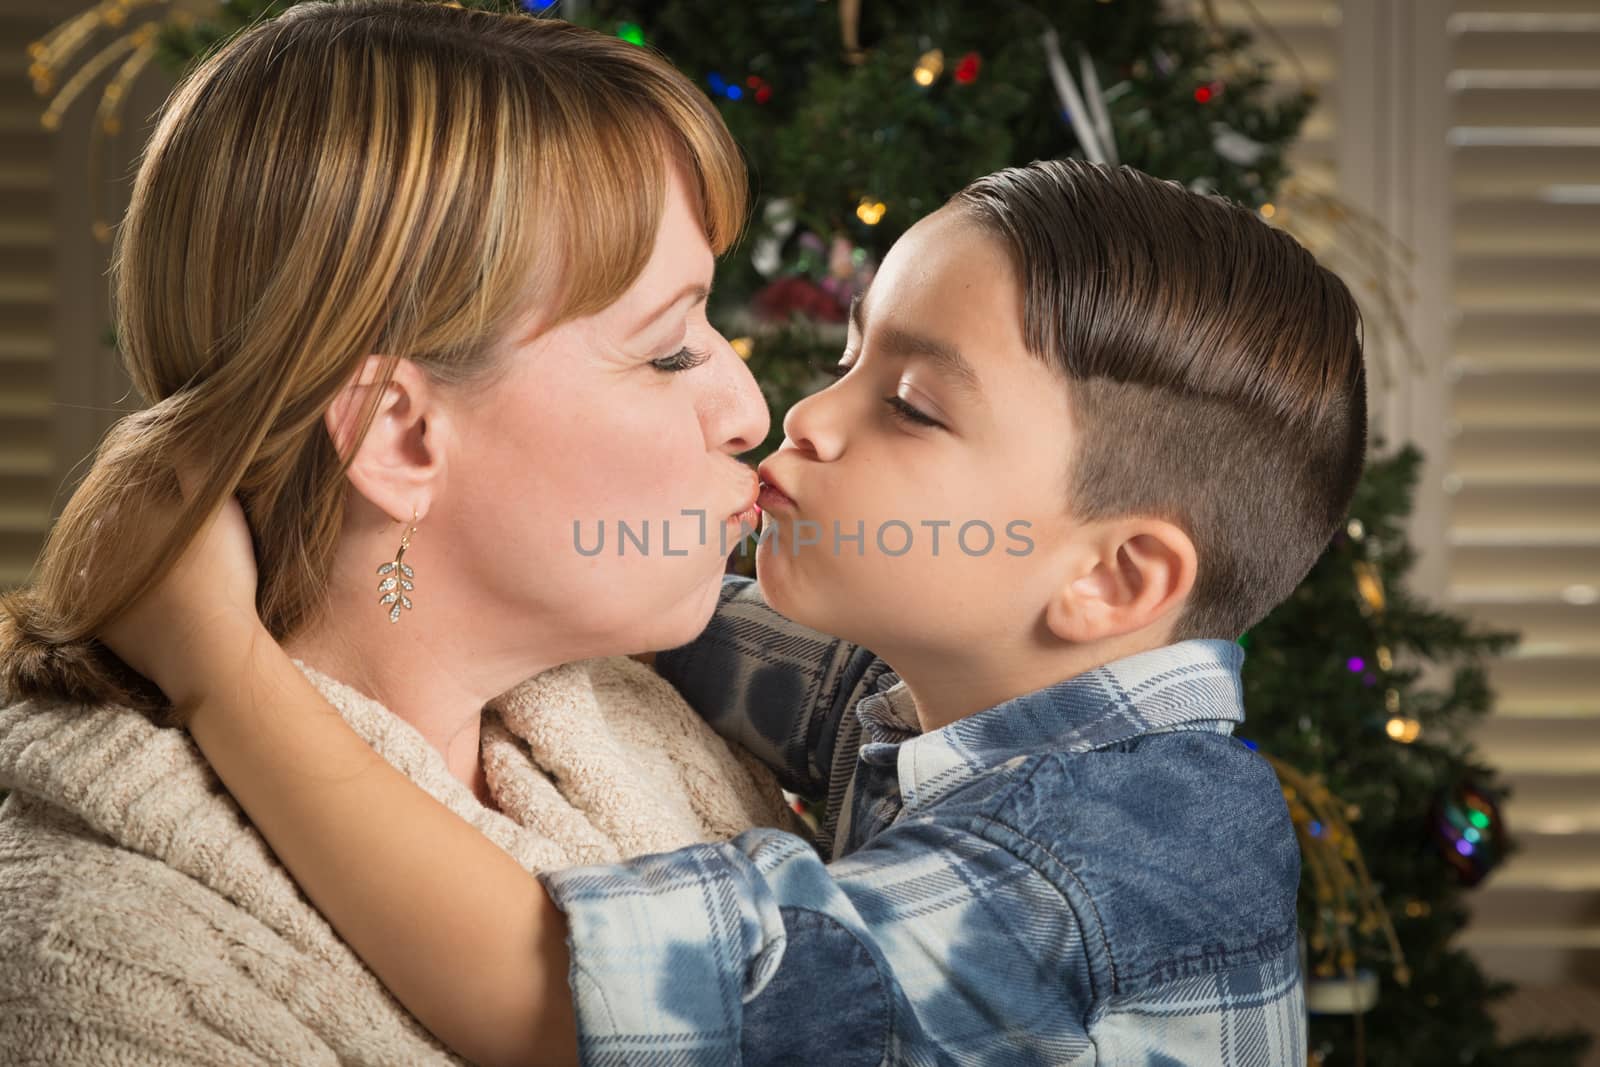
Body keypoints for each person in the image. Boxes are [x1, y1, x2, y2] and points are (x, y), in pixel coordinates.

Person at [101, 158, 1367, 1066]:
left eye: (911, 405)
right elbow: (653, 601)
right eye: (848, 353)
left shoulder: (1122, 858)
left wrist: (218, 657)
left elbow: (552, 992)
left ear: (1111, 580)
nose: (797, 416)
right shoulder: (927, 692)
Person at [0, 3, 804, 1062]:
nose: (751, 410)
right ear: (397, 440)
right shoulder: (115, 969)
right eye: (666, 351)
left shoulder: (659, 731)